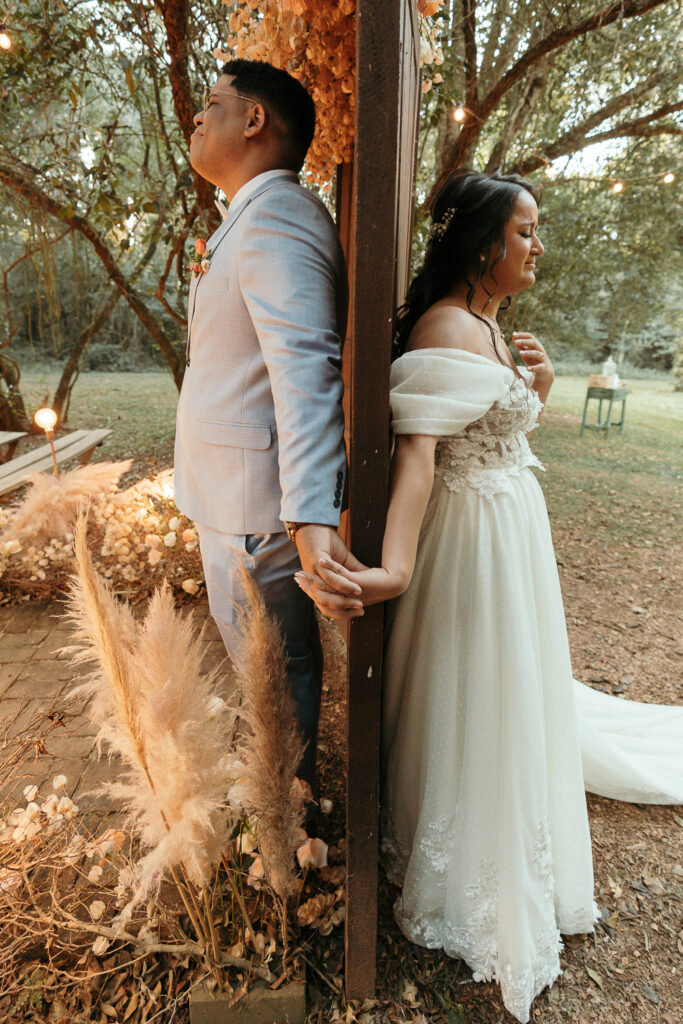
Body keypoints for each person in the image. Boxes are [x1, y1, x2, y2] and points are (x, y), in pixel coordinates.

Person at [296, 169, 683, 1022]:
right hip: (473, 540)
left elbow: (488, 424)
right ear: (481, 244)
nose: (537, 246)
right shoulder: (446, 326)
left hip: (509, 529)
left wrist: (533, 388)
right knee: (482, 687)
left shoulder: (485, 325)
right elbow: (418, 455)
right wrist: (396, 569)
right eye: (525, 230)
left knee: (511, 683)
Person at [174, 59, 363, 793]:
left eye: (212, 103)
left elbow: (306, 370)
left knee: (276, 674)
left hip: (256, 510)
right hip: (231, 493)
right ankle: (279, 803)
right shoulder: (249, 215)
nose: (197, 117)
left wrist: (312, 515)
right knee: (262, 672)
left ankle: (285, 817)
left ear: (254, 120)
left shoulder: (279, 215)